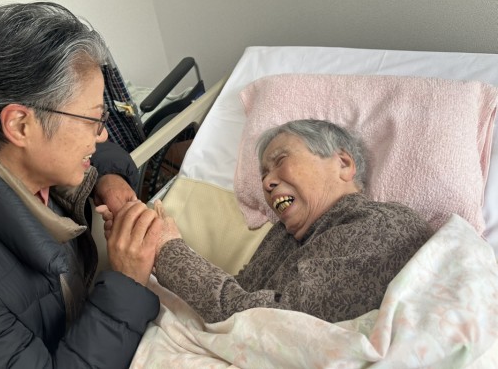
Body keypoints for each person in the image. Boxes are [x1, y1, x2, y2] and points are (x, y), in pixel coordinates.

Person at [0, 2, 162, 368]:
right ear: (20, 125)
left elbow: (92, 150)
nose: (101, 135)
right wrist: (126, 283)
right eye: (93, 120)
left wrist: (108, 179)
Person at [147, 119, 434, 323]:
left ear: (343, 164)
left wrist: (169, 249)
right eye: (264, 175)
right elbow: (238, 292)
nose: (267, 182)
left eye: (281, 160)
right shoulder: (284, 236)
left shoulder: (384, 226)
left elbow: (265, 321)